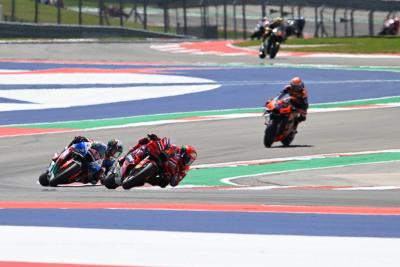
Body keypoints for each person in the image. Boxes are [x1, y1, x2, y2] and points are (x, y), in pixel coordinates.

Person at [119, 134, 197, 188]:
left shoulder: (184, 169)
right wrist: (157, 139)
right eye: (188, 159)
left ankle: (144, 179)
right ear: (183, 153)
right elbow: (166, 142)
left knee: (164, 183)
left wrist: (175, 177)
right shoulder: (175, 149)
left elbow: (175, 182)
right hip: (159, 157)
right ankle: (126, 157)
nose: (188, 162)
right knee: (145, 144)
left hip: (162, 171)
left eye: (190, 161)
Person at [53, 136, 123, 184]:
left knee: (94, 180)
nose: (115, 154)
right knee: (79, 138)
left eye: (117, 153)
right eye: (114, 151)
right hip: (87, 156)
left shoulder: (111, 162)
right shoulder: (101, 146)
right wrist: (86, 141)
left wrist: (104, 177)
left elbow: (107, 174)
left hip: (91, 172)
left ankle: (76, 176)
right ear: (110, 147)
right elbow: (90, 142)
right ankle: (59, 155)